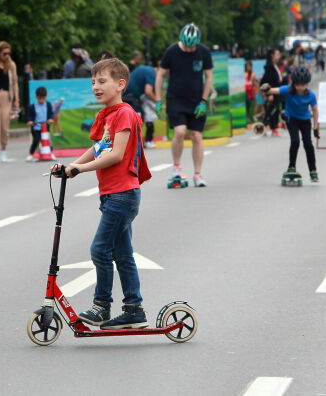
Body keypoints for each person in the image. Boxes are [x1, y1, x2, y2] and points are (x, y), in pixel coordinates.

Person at [53, 57, 151, 330]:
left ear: (120, 85)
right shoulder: (107, 116)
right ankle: (133, 308)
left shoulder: (124, 114)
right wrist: (71, 165)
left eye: (102, 81)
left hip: (123, 194)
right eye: (93, 82)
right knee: (123, 255)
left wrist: (80, 171)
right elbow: (98, 149)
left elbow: (116, 154)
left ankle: (101, 307)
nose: (96, 86)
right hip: (113, 195)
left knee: (99, 249)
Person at [154, 23, 213, 187]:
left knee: (196, 136)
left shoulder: (203, 52)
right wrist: (158, 100)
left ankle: (197, 173)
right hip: (175, 99)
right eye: (186, 45)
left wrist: (204, 101)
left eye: (192, 45)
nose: (188, 49)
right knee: (179, 132)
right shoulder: (172, 51)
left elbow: (208, 77)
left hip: (196, 100)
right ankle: (177, 167)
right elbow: (161, 76)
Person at [261, 65, 319, 182]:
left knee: (308, 144)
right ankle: (291, 166)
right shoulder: (288, 90)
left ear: (307, 83)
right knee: (295, 141)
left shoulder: (311, 95)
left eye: (303, 85)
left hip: (305, 120)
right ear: (293, 83)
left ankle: (313, 170)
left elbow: (315, 110)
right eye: (298, 84)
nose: (300, 88)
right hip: (291, 118)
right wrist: (266, 88)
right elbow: (274, 90)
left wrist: (316, 128)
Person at [126, 55, 157, 147]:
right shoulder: (152, 73)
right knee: (138, 117)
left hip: (128, 94)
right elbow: (148, 91)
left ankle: (130, 142)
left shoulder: (146, 69)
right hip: (130, 95)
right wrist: (158, 101)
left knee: (130, 117)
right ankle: (132, 143)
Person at [259, 48, 283, 137]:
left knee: (274, 111)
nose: (279, 56)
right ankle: (266, 128)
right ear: (272, 55)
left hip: (277, 91)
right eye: (277, 55)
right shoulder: (269, 67)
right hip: (272, 92)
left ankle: (268, 128)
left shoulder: (274, 65)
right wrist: (270, 94)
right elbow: (268, 81)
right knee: (271, 111)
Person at [26, 86, 54, 162]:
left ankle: (50, 153)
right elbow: (29, 116)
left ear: (46, 97)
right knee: (36, 140)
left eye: (43, 98)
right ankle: (31, 154)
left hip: (45, 127)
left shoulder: (48, 105)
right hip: (36, 127)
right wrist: (30, 121)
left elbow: (51, 114)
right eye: (39, 99)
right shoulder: (32, 106)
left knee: (48, 141)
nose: (41, 100)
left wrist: (50, 119)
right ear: (36, 97)